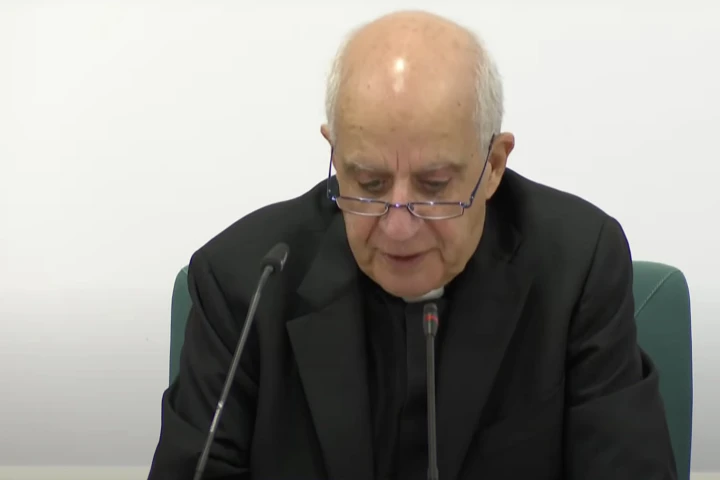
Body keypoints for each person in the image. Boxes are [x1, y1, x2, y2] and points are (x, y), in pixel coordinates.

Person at [147, 9, 677, 480]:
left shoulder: (577, 267)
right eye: (370, 184)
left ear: (493, 165)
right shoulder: (244, 283)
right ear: (335, 154)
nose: (398, 225)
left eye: (434, 186)